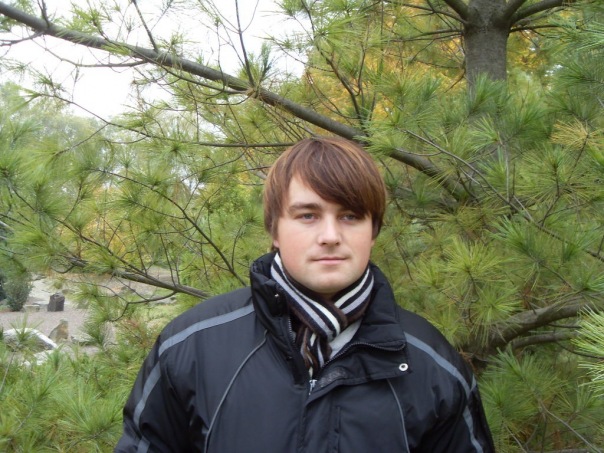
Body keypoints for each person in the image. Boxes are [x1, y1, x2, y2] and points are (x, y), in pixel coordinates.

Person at [116, 137, 495, 452]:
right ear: (274, 230)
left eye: (350, 216)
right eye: (308, 216)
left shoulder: (433, 367)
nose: (330, 236)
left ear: (373, 231)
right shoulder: (191, 347)